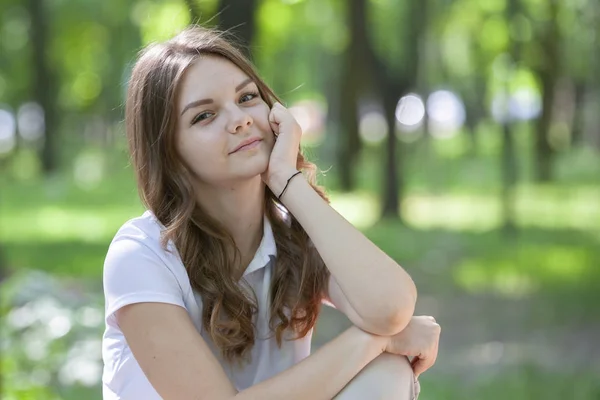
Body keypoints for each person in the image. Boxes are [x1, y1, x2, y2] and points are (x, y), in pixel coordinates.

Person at [101, 26, 440, 400]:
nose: (240, 119)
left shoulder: (292, 232)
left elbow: (390, 309)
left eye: (247, 97)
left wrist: (288, 180)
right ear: (169, 153)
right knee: (380, 356)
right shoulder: (141, 255)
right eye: (204, 116)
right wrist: (371, 342)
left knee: (388, 372)